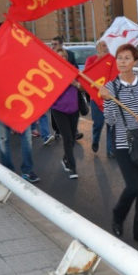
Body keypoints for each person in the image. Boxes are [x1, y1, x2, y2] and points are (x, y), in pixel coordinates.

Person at [100, 44, 138, 246]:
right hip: (124, 143)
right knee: (133, 186)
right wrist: (107, 101)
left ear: (135, 61)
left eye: (126, 58)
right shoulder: (111, 87)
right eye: (119, 58)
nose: (122, 62)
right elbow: (111, 120)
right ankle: (118, 215)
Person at [51, 48, 82, 179]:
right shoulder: (51, 72)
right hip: (58, 109)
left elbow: (83, 87)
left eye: (63, 56)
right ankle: (72, 167)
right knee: (67, 138)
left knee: (72, 139)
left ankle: (65, 159)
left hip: (74, 109)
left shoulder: (74, 70)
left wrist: (75, 83)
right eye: (59, 57)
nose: (61, 59)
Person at [87, 40, 115, 157]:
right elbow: (88, 75)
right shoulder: (91, 60)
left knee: (111, 124)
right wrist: (100, 60)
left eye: (107, 45)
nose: (106, 47)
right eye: (103, 45)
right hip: (96, 97)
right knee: (98, 124)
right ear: (98, 47)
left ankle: (110, 150)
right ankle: (95, 139)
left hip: (110, 97)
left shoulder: (113, 59)